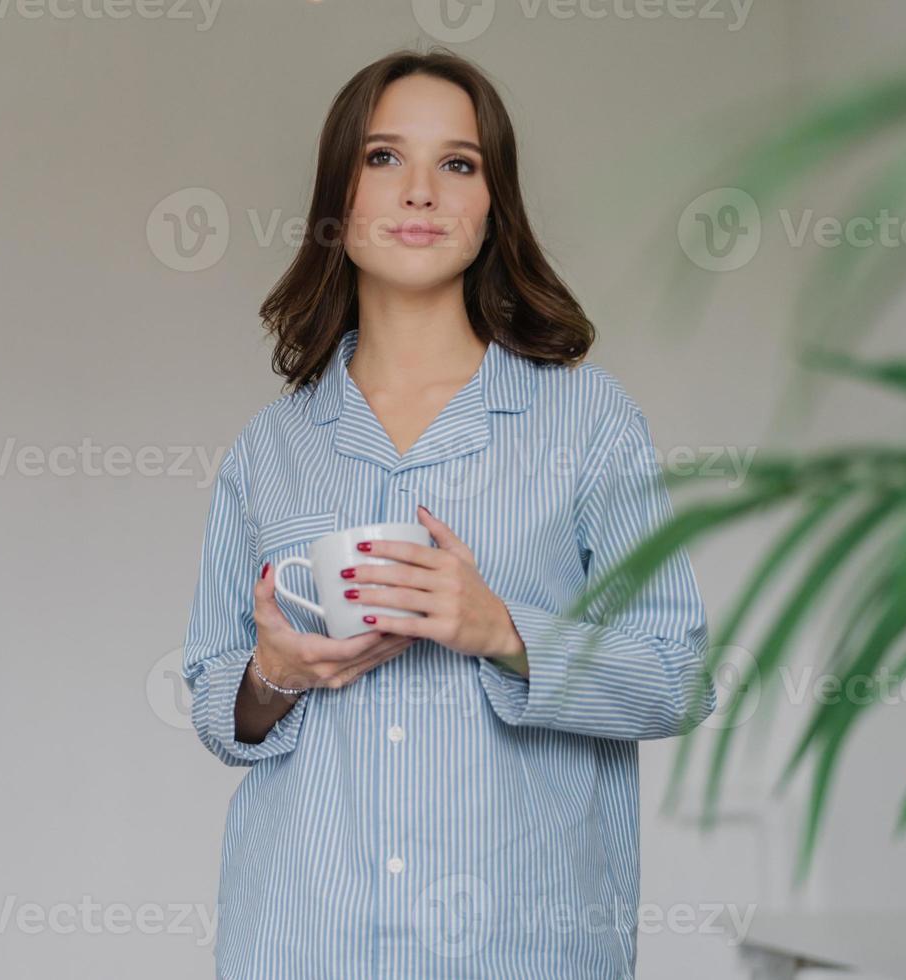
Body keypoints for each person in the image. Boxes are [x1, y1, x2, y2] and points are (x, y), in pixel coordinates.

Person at [181, 46, 717, 980]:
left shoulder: (587, 422)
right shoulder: (271, 447)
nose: (420, 191)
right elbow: (214, 700)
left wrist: (505, 631)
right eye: (384, 158)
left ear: (492, 205)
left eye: (458, 163)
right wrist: (272, 673)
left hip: (526, 948)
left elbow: (678, 677)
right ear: (336, 201)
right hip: (305, 943)